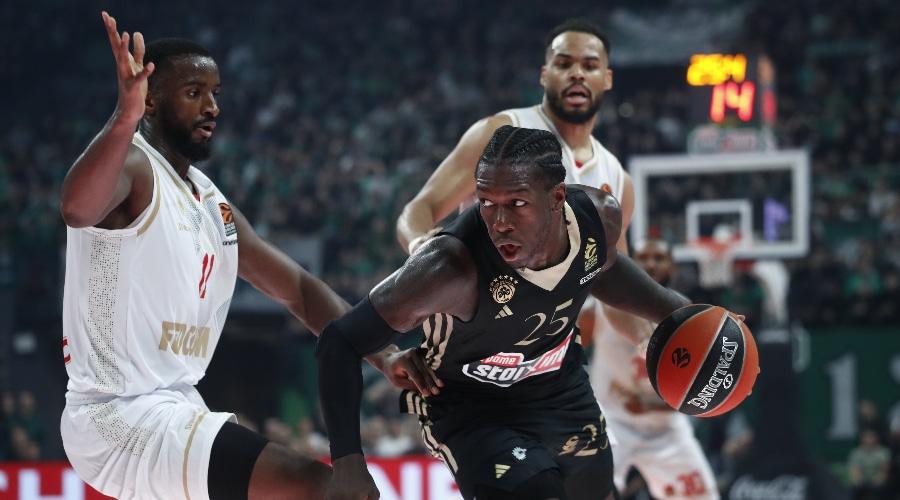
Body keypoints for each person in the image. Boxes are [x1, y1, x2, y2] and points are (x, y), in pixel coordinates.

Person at [59, 12, 423, 500]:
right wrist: (124, 119)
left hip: (177, 407)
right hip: (118, 415)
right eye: (193, 93)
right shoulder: (134, 165)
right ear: (150, 99)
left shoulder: (211, 202)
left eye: (215, 93)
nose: (211, 106)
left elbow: (299, 289)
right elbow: (77, 209)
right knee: (327, 490)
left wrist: (384, 354)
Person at [315, 126, 719, 500]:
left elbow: (603, 269)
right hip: (472, 407)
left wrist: (679, 312)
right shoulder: (448, 267)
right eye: (486, 203)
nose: (500, 222)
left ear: (557, 198)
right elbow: (340, 341)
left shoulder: (598, 219)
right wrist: (348, 462)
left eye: (517, 203)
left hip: (561, 391)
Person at [578, 238, 720, 499]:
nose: (651, 264)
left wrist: (650, 404)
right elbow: (567, 357)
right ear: (630, 264)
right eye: (643, 258)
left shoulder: (687, 315)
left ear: (672, 267)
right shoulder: (597, 308)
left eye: (659, 258)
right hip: (611, 422)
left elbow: (698, 394)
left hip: (666, 429)